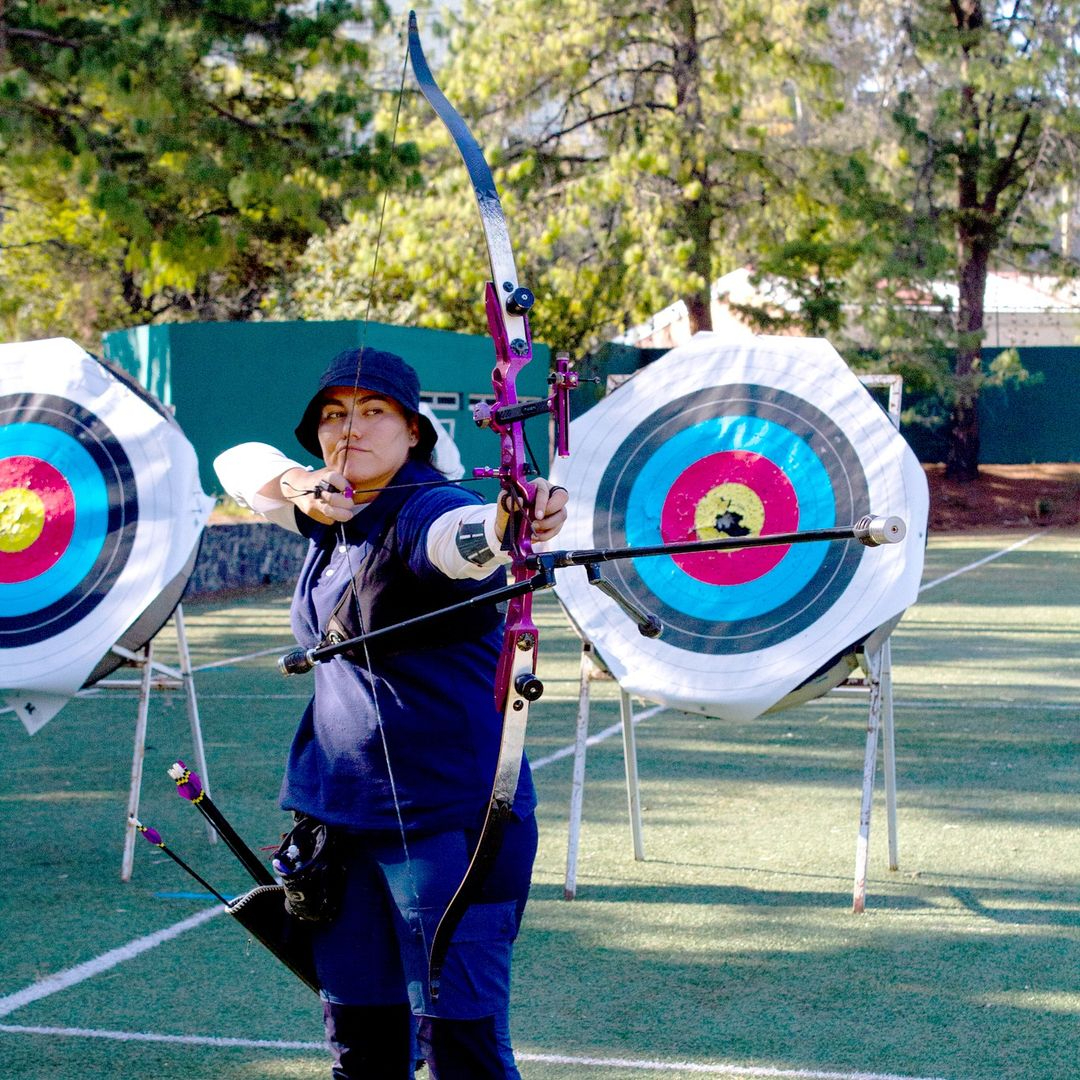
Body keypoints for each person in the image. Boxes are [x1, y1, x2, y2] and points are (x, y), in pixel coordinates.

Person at [214, 347, 567, 1080]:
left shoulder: (425, 508)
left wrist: (510, 522)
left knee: (462, 1052)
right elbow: (233, 460)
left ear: (415, 433)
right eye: (335, 415)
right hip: (339, 826)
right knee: (362, 1048)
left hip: (450, 830)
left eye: (374, 412)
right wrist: (297, 483)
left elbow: (463, 541)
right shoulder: (329, 509)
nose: (352, 429)